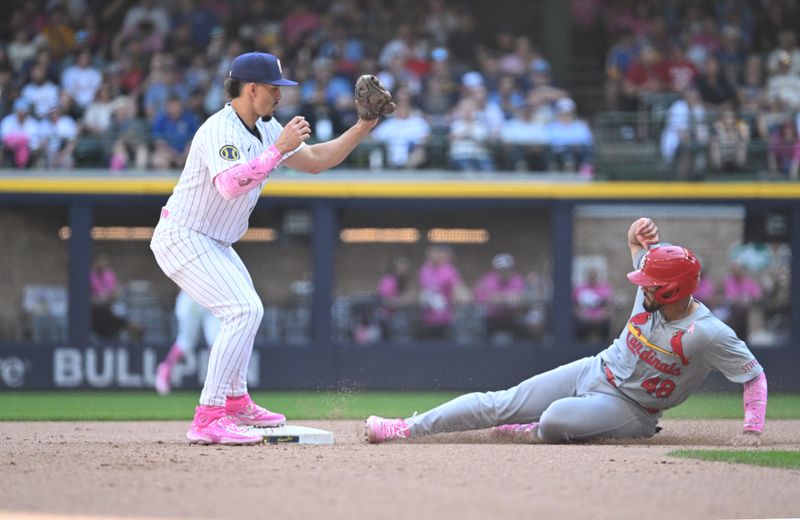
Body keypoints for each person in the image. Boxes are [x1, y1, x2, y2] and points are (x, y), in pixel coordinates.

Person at [150, 52, 386, 445]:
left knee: (248, 310)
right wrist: (277, 149)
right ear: (251, 88)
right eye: (275, 88)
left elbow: (314, 161)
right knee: (243, 309)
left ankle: (236, 401)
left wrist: (363, 126)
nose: (280, 95)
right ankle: (208, 417)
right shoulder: (219, 129)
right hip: (184, 235)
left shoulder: (264, 127)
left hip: (214, 239)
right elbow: (228, 186)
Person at [365, 217, 767, 448]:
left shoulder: (707, 332)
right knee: (500, 401)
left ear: (671, 290)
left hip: (633, 409)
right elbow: (637, 245)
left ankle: (532, 430)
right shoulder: (655, 291)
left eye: (649, 282)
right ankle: (407, 427)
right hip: (594, 369)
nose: (640, 284)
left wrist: (752, 429)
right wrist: (635, 235)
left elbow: (753, 375)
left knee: (555, 421)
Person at [155, 290, 220, 395]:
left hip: (213, 298)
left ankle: (219, 385)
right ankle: (165, 369)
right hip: (192, 298)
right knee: (185, 342)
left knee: (217, 343)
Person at [473, 253, 527, 343]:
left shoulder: (517, 279)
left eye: (507, 269)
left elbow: (519, 298)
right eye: (501, 269)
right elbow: (481, 297)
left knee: (523, 331)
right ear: (496, 269)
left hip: (512, 318)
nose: (504, 272)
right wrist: (506, 297)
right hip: (491, 319)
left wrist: (497, 297)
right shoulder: (487, 279)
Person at [573, 266, 614, 342]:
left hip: (601, 319)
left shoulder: (604, 288)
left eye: (593, 275)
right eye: (590, 276)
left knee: (607, 327)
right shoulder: (579, 289)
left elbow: (609, 306)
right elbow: (575, 306)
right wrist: (583, 316)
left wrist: (601, 317)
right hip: (583, 319)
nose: (592, 278)